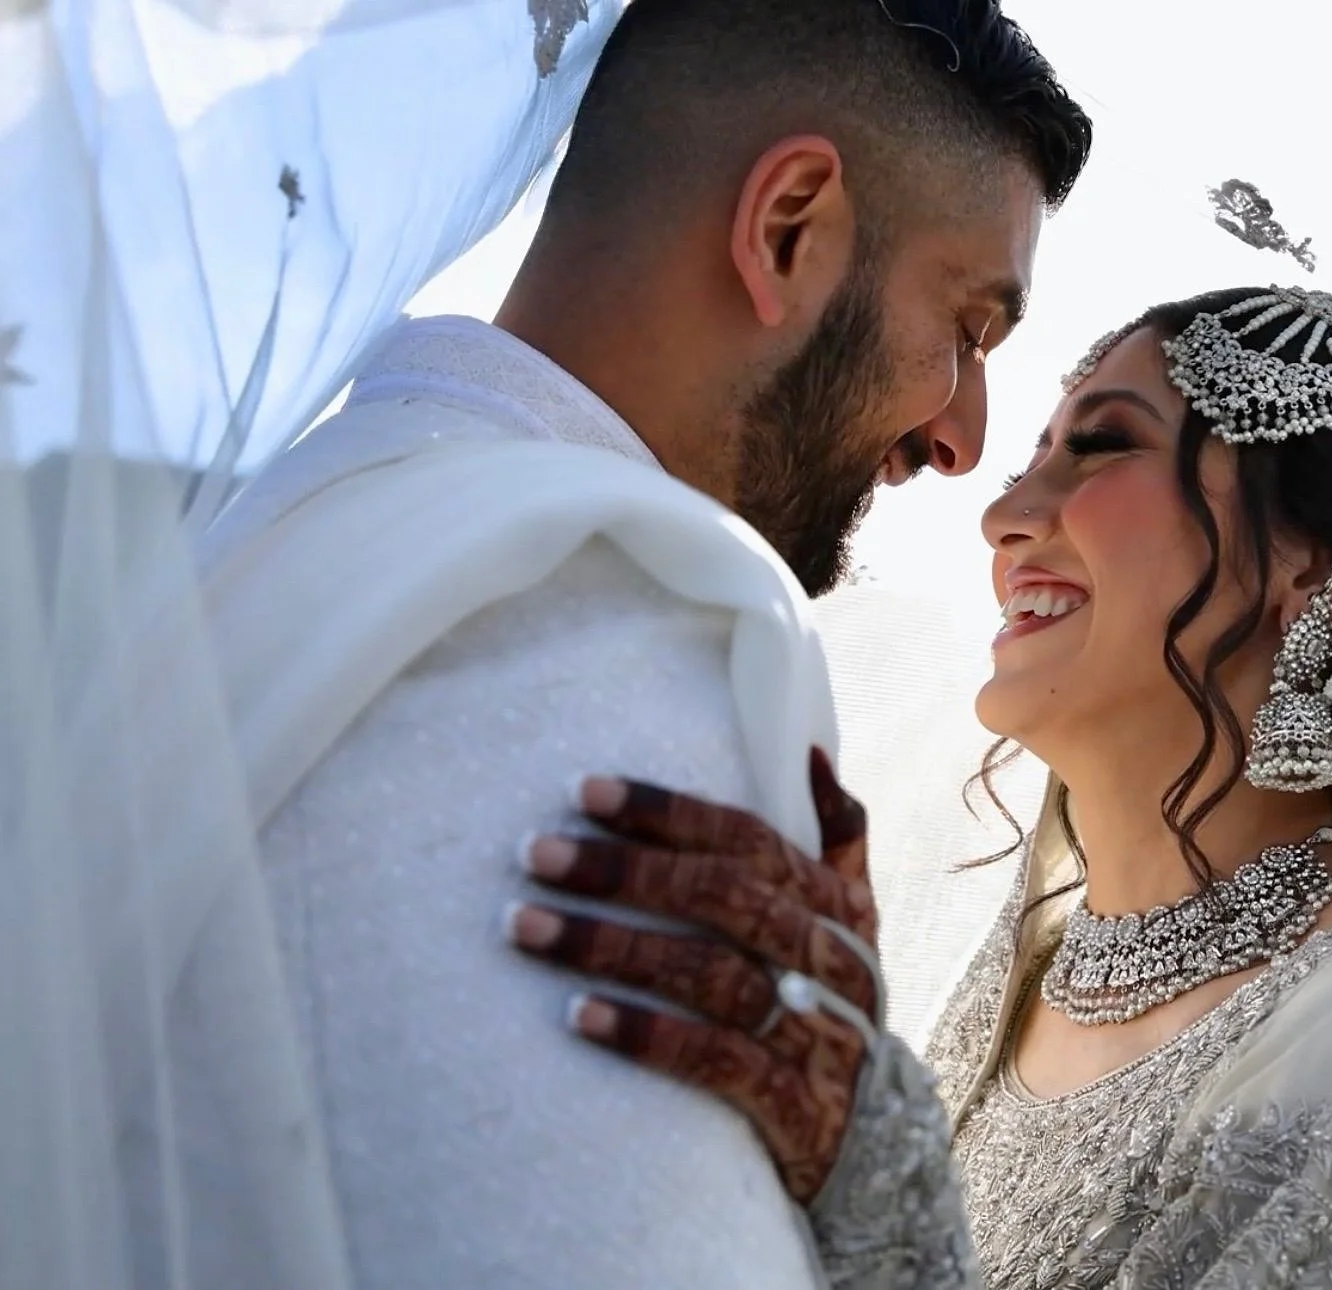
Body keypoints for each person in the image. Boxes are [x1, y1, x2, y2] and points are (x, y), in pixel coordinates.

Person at [512, 283, 1332, 1286]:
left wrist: (864, 1176)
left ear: (1314, 577)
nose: (1004, 517)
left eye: (1103, 447)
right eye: (1028, 462)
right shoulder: (1025, 971)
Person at [188, 3, 1091, 1288]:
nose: (962, 440)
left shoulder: (283, 513)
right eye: (966, 329)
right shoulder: (664, 609)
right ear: (788, 229)